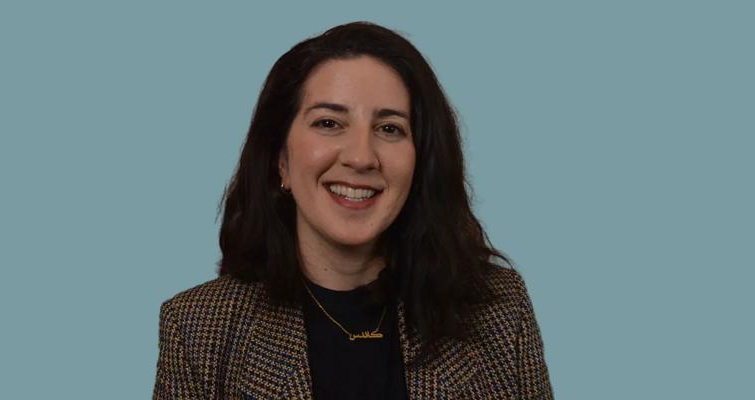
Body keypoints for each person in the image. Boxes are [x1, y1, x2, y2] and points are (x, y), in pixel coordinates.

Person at [152, 21, 553, 399]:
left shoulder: (501, 311)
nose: (361, 157)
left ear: (420, 162)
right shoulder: (197, 329)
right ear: (281, 161)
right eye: (329, 123)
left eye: (389, 128)